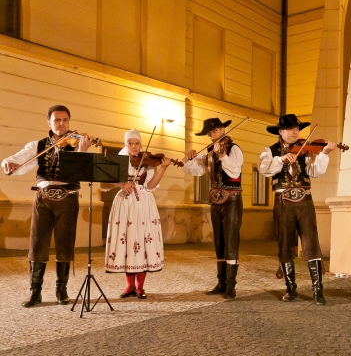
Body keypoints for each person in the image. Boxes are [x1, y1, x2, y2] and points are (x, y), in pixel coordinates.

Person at [1, 104, 94, 307]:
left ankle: (62, 290)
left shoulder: (78, 143)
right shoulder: (39, 144)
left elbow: (82, 173)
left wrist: (82, 151)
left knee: (65, 243)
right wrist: (8, 162)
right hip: (43, 198)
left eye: (65, 120)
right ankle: (35, 292)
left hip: (68, 197)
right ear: (49, 122)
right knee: (38, 243)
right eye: (57, 120)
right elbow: (19, 159)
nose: (62, 124)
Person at [258, 114, 336, 305]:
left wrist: (324, 153)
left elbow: (314, 172)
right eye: (291, 129)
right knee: (285, 244)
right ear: (280, 132)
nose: (295, 132)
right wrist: (281, 160)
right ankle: (290, 288)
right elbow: (263, 169)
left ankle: (318, 290)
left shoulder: (305, 149)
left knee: (311, 244)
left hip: (305, 201)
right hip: (283, 201)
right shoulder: (270, 151)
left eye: (297, 129)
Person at [104, 129, 171, 299]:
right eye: (130, 143)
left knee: (142, 242)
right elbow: (103, 185)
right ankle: (129, 286)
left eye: (137, 143)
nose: (134, 147)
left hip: (144, 204)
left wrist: (163, 168)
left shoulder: (147, 162)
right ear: (125, 144)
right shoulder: (118, 161)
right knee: (126, 242)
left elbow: (150, 186)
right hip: (124, 204)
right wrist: (121, 184)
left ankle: (140, 287)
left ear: (141, 144)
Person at [182, 118, 243, 299]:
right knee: (219, 242)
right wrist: (189, 158)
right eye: (209, 134)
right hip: (215, 202)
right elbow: (194, 170)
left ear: (222, 129)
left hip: (232, 200)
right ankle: (221, 282)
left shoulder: (234, 148)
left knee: (231, 241)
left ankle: (231, 285)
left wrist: (223, 156)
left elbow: (235, 172)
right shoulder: (208, 152)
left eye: (214, 132)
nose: (211, 136)